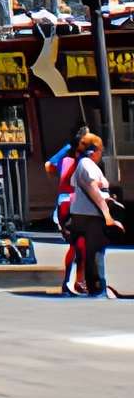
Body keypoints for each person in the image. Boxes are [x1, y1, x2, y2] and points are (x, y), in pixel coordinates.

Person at [67, 131, 123, 299]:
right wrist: (108, 216)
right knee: (96, 251)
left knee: (91, 251)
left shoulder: (84, 164)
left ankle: (95, 286)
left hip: (84, 213)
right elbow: (93, 191)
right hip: (91, 215)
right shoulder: (87, 164)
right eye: (100, 151)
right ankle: (98, 288)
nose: (101, 155)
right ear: (94, 151)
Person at [46, 126, 90, 294]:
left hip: (70, 202)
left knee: (78, 245)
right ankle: (74, 282)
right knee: (78, 244)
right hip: (71, 203)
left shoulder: (71, 159)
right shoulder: (74, 159)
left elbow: (50, 166)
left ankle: (75, 281)